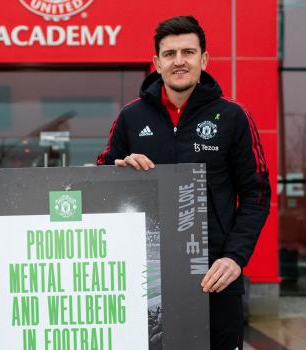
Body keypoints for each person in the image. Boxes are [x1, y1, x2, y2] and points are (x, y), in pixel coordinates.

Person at [96, 16, 271, 350]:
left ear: (203, 60)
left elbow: (257, 193)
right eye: (170, 53)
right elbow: (99, 183)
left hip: (214, 277)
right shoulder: (131, 118)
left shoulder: (233, 116)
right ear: (157, 62)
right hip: (145, 278)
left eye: (188, 52)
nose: (179, 61)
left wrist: (234, 257)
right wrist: (116, 171)